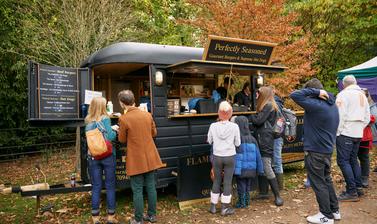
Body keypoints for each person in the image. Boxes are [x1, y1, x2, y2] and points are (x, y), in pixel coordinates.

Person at [290, 78, 340, 224]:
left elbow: (294, 95)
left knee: (318, 183)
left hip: (315, 150)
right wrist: (319, 92)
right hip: (326, 149)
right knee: (326, 180)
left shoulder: (316, 105)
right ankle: (334, 210)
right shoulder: (332, 104)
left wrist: (317, 92)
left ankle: (326, 215)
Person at [117, 90, 164, 224]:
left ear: (122, 103)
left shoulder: (124, 118)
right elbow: (154, 133)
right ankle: (152, 216)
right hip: (150, 156)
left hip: (136, 159)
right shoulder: (147, 115)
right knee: (151, 187)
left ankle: (138, 219)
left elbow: (122, 139)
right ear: (133, 101)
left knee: (137, 189)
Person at [336, 75, 370, 201]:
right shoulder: (362, 95)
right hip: (357, 132)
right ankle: (358, 187)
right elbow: (367, 116)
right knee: (353, 160)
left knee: (343, 161)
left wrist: (338, 131)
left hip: (346, 132)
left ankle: (351, 191)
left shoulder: (343, 95)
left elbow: (340, 115)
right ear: (355, 83)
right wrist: (360, 127)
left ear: (344, 84)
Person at [85, 96, 118, 224]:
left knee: (96, 186)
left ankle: (95, 218)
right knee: (110, 185)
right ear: (102, 107)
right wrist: (115, 130)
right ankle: (110, 216)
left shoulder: (88, 121)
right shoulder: (105, 119)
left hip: (93, 156)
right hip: (107, 155)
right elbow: (109, 136)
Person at [249, 86, 283, 206]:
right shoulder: (268, 105)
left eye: (258, 93)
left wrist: (250, 114)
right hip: (263, 139)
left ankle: (278, 196)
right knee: (264, 166)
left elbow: (258, 121)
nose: (256, 95)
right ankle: (264, 193)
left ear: (264, 94)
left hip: (265, 140)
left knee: (267, 166)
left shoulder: (268, 106)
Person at [208, 101, 240, 216]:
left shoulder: (213, 126)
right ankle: (225, 208)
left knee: (216, 180)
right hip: (230, 156)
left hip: (217, 156)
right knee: (227, 182)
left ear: (219, 113)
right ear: (230, 113)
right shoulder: (235, 126)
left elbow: (209, 141)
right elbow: (237, 143)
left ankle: (213, 206)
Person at [231, 115, 264, 208]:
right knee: (248, 184)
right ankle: (247, 201)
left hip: (241, 169)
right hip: (251, 168)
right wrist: (260, 169)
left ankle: (241, 203)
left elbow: (236, 155)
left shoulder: (237, 140)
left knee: (241, 185)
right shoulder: (253, 139)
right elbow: (258, 155)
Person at [358, 89, 376, 187]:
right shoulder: (354, 104)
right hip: (353, 136)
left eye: (364, 94)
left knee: (364, 158)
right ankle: (357, 177)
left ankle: (364, 178)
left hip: (365, 137)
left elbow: (373, 118)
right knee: (352, 158)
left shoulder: (370, 105)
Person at [271, 85, 284, 190]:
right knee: (276, 160)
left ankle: (279, 186)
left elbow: (279, 120)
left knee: (276, 160)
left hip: (275, 136)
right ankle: (279, 186)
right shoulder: (278, 102)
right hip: (278, 135)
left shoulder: (275, 104)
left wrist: (275, 132)